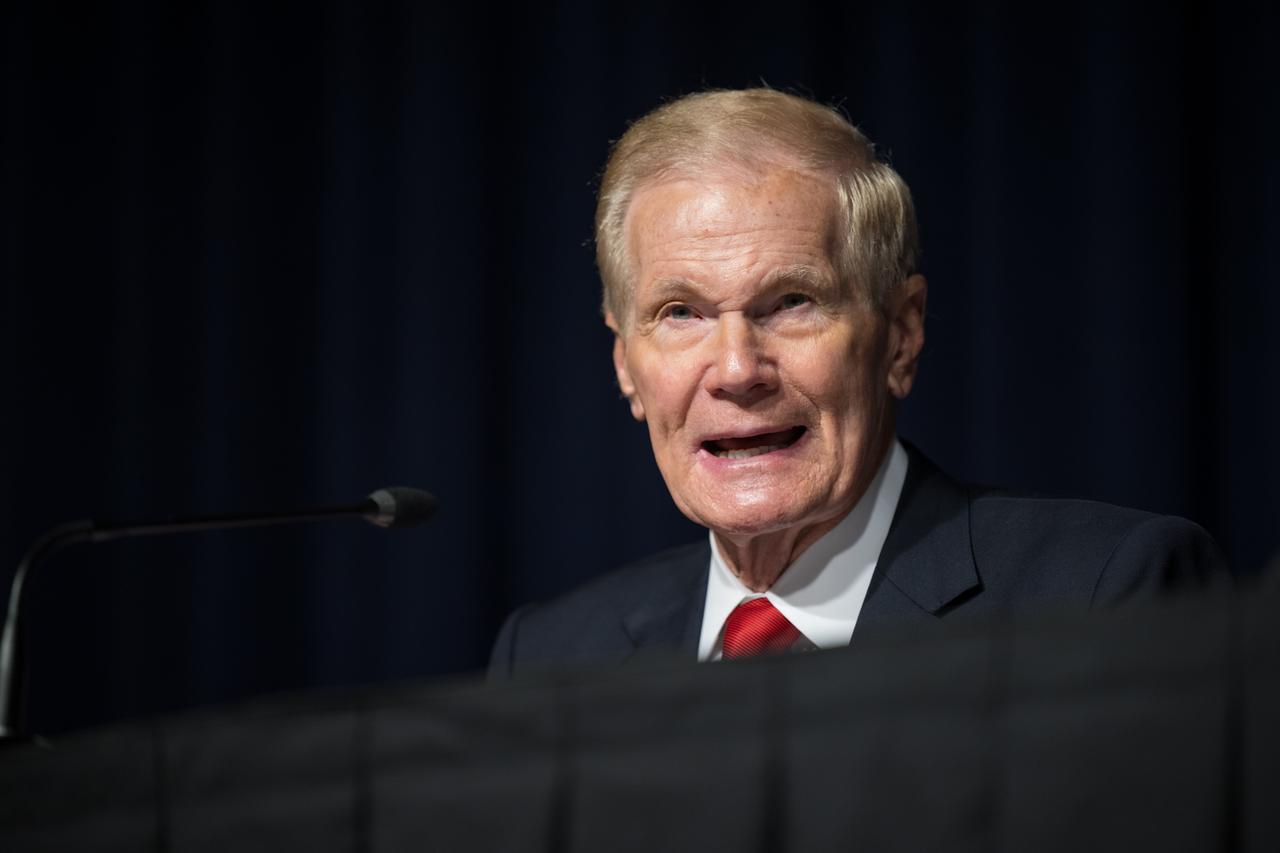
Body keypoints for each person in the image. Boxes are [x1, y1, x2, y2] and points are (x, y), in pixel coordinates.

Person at [489, 88, 1224, 676]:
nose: (738, 369)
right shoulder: (552, 658)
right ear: (626, 363)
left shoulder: (1103, 596)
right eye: (681, 312)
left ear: (901, 334)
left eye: (793, 303)